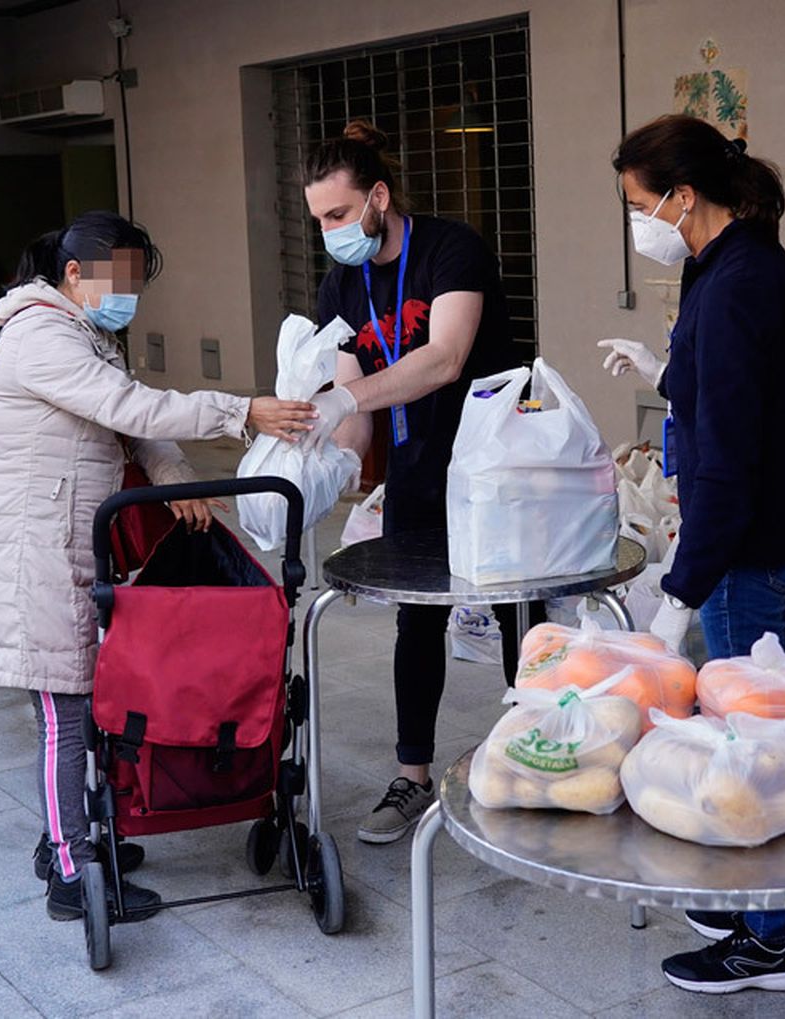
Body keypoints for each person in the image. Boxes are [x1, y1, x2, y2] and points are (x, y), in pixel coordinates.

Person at [0, 211, 317, 923]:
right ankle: (69, 871)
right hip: (32, 556)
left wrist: (173, 475)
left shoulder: (84, 333)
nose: (129, 296)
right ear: (73, 275)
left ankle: (63, 839)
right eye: (118, 279)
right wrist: (240, 410)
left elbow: (131, 424)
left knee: (80, 706)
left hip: (68, 546)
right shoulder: (39, 337)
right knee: (63, 716)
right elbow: (125, 403)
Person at [599, 114, 785, 993]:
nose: (638, 221)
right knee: (750, 725)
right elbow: (730, 389)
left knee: (754, 744)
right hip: (749, 530)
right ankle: (748, 902)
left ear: (683, 196)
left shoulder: (739, 282)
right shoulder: (723, 265)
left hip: (746, 542)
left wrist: (683, 586)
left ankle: (771, 939)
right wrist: (666, 373)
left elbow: (732, 455)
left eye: (638, 202)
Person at [301, 120, 530, 846]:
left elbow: (445, 358)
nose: (329, 231)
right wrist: (320, 460)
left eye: (338, 214)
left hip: (495, 466)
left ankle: (532, 763)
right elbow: (351, 399)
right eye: (318, 220)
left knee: (515, 611)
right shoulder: (342, 280)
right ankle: (413, 774)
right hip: (416, 470)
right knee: (416, 620)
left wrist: (349, 399)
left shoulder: (449, 246)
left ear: (378, 196)